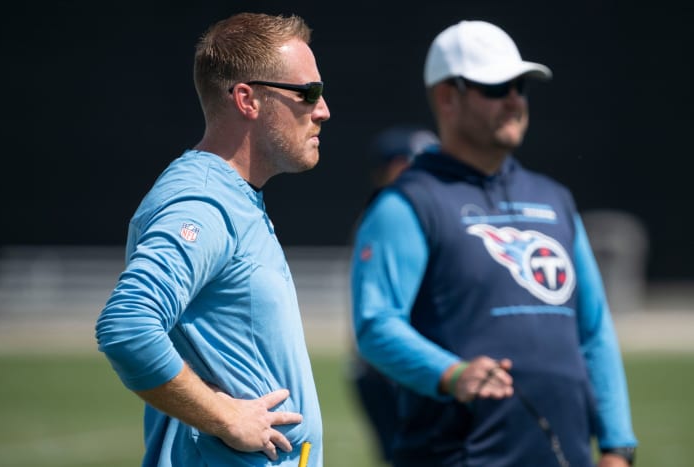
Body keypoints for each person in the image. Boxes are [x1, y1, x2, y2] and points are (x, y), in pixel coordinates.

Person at [350, 19, 638, 467]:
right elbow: (376, 326)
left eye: (520, 86)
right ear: (447, 96)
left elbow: (594, 328)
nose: (515, 100)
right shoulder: (407, 203)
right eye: (496, 86)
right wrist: (451, 373)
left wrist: (618, 447)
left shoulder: (554, 199)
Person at [95, 12, 330, 467]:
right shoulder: (203, 201)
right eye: (308, 93)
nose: (322, 109)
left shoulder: (233, 195)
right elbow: (127, 325)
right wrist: (224, 416)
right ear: (248, 99)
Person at [349, 125, 439, 464]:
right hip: (387, 369)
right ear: (396, 166)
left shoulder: (412, 211)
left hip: (402, 364)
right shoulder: (386, 215)